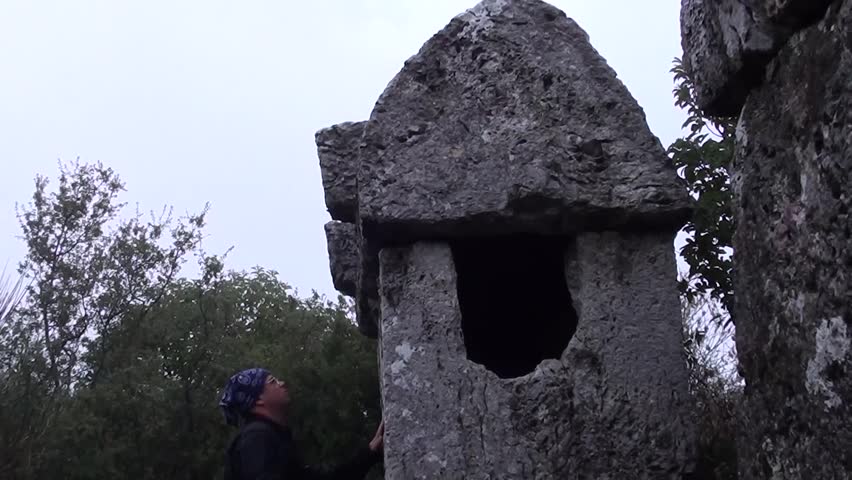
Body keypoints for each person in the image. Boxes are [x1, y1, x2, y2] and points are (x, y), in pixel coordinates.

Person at [219, 367, 384, 480]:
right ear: (258, 399)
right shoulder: (256, 437)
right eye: (273, 382)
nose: (282, 383)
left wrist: (370, 453)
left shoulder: (274, 437)